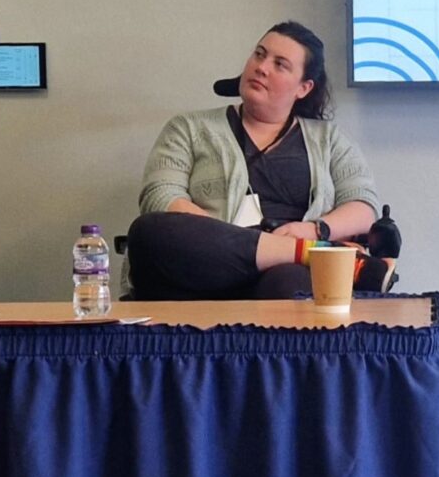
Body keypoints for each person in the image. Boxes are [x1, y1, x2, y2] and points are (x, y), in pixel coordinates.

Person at [126, 21, 391, 299]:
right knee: (147, 232)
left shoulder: (330, 139)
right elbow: (160, 196)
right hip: (202, 266)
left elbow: (363, 207)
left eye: (280, 64)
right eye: (260, 54)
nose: (261, 67)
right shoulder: (189, 127)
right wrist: (230, 240)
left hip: (284, 273)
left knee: (291, 287)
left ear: (303, 87)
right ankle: (318, 255)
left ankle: (304, 256)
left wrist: (315, 229)